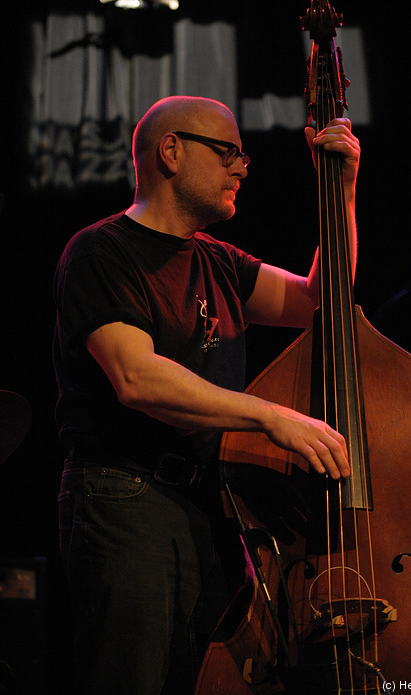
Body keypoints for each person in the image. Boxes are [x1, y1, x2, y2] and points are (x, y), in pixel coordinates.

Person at [54, 95, 360, 694]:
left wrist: (342, 192)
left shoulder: (219, 262)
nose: (242, 167)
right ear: (171, 151)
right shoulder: (100, 251)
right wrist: (271, 417)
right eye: (228, 153)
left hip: (209, 505)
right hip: (127, 497)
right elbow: (138, 378)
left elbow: (322, 301)